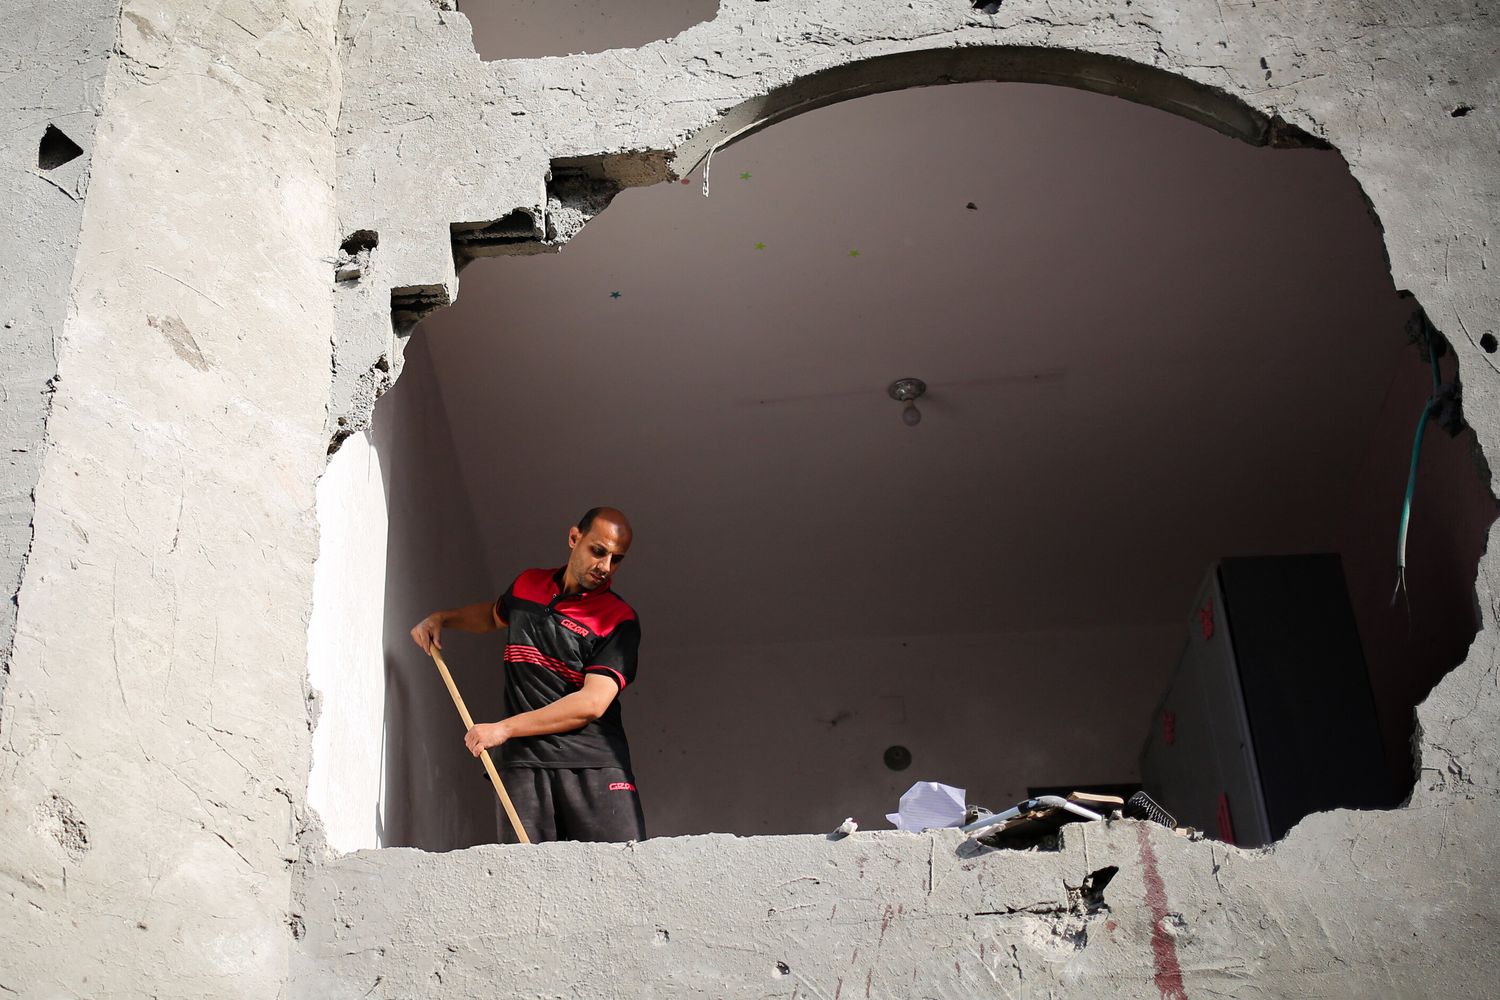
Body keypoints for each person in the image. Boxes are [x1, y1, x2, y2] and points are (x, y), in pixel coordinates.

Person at [409, 506, 645, 844]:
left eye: (616, 559)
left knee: (619, 878)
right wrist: (443, 618)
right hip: (522, 765)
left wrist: (502, 729)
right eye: (598, 551)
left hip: (593, 764)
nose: (605, 567)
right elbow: (492, 617)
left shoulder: (618, 619)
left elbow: (592, 704)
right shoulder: (527, 585)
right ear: (574, 538)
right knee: (524, 884)